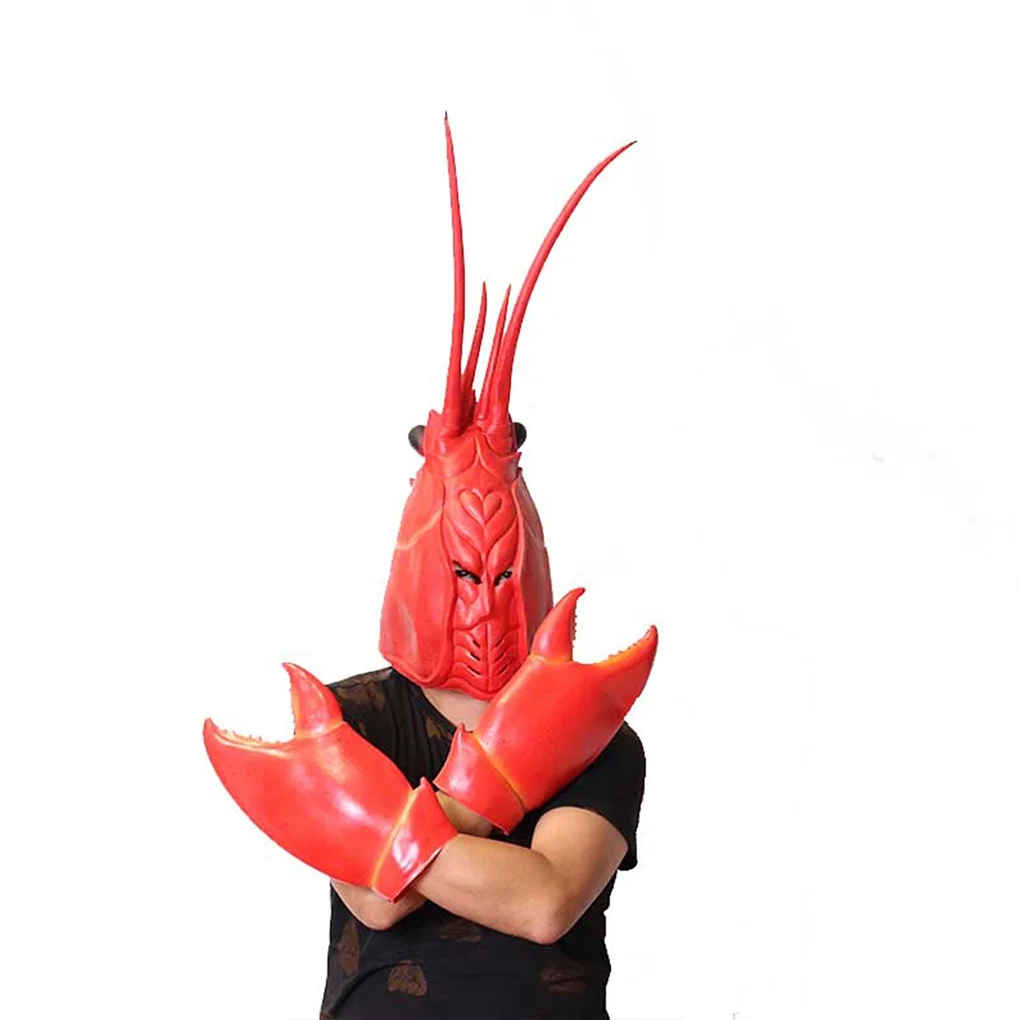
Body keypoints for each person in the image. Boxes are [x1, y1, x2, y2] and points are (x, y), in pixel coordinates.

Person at [203, 118, 657, 1020]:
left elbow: (544, 903)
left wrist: (391, 834)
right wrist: (489, 807)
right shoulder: (346, 718)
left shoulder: (603, 731)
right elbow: (375, 904)